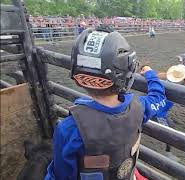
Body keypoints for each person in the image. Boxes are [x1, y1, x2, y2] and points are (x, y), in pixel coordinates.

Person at [45, 28, 166, 180]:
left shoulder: (69, 128)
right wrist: (150, 73)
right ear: (126, 72)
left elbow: (60, 175)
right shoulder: (138, 107)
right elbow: (159, 98)